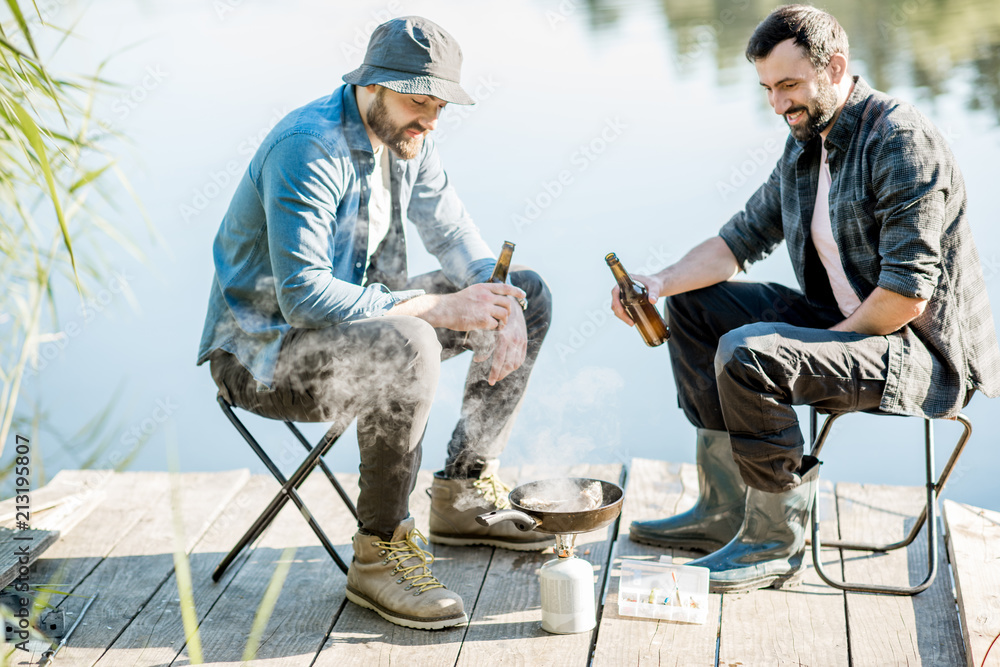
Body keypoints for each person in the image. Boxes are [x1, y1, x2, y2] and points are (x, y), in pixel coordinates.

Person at [616, 4, 1000, 593]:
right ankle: (723, 507)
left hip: (917, 352)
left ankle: (773, 540)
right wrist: (658, 282)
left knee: (752, 353)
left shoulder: (901, 141)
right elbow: (736, 240)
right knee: (694, 307)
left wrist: (805, 348)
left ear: (835, 67)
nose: (776, 103)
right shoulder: (805, 141)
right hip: (845, 321)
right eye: (768, 88)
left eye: (789, 85)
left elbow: (905, 296)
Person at [196, 16, 553, 629]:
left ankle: (463, 491)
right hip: (263, 357)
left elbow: (451, 231)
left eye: (440, 105)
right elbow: (303, 298)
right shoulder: (308, 148)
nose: (432, 120)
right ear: (375, 85)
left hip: (362, 329)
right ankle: (379, 552)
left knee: (527, 294)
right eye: (420, 102)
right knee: (410, 339)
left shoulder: (409, 136)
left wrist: (496, 294)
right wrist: (436, 308)